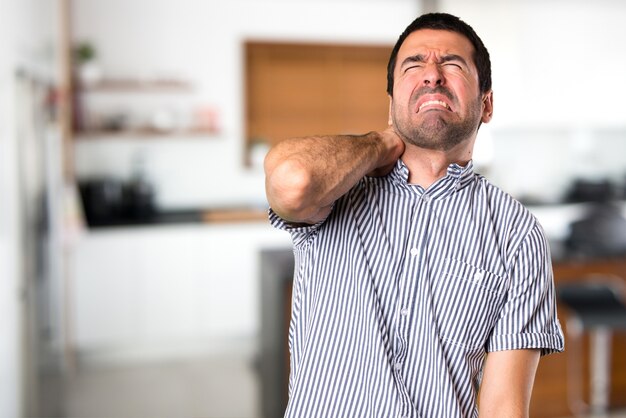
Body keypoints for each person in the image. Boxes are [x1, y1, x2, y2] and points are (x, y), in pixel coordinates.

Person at [264, 12, 564, 418]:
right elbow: (292, 181)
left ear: (486, 104)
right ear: (391, 106)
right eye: (414, 64)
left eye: (452, 64)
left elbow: (503, 408)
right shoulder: (338, 193)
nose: (432, 75)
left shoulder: (518, 235)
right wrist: (382, 143)